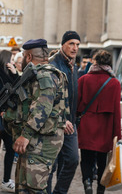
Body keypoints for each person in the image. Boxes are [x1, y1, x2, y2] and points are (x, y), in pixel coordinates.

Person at [4, 39, 68, 193]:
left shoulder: (44, 76)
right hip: (36, 139)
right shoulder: (38, 74)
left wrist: (25, 135)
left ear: (29, 57)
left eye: (24, 56)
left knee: (33, 188)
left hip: (42, 141)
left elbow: (42, 108)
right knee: (24, 185)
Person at [77, 50, 122, 194]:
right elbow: (117, 110)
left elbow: (76, 105)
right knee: (103, 159)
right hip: (106, 126)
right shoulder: (114, 82)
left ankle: (87, 182)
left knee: (86, 157)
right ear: (109, 63)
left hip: (86, 124)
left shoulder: (83, 79)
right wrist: (117, 133)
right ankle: (100, 189)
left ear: (94, 62)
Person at [47, 31, 80, 194]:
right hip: (54, 123)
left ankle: (59, 192)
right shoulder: (53, 65)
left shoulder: (74, 65)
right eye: (71, 44)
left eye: (77, 45)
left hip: (70, 124)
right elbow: (47, 99)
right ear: (63, 45)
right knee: (50, 166)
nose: (75, 48)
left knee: (73, 160)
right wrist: (61, 119)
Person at [0, 50, 19, 192]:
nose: (13, 62)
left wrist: (14, 74)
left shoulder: (8, 74)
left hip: (7, 118)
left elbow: (18, 90)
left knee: (10, 148)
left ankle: (6, 180)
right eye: (12, 59)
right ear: (5, 61)